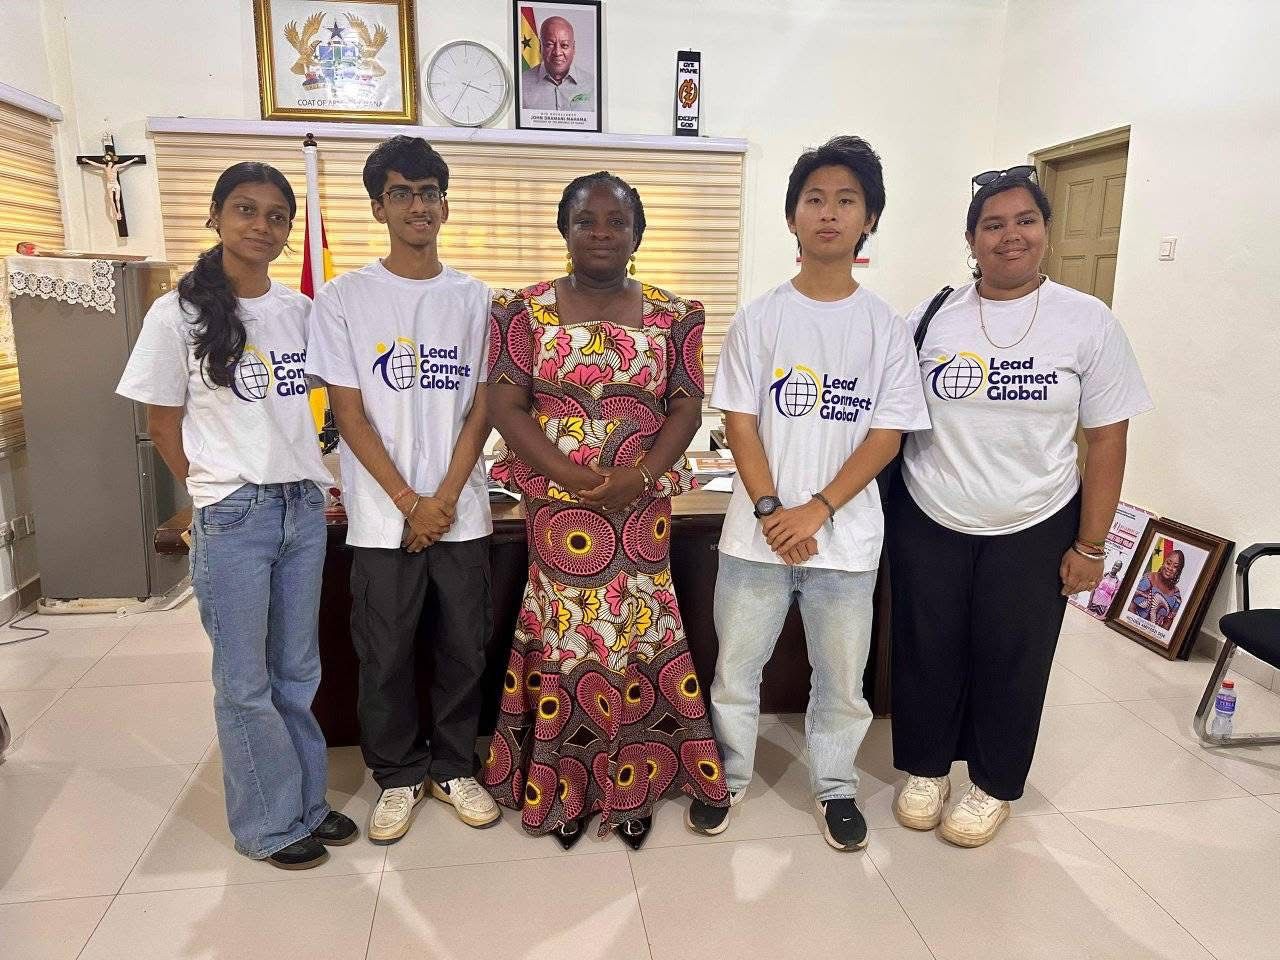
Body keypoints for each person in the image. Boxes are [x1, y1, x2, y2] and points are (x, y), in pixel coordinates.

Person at [889, 165, 1153, 847]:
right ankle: (926, 769)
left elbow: (1107, 439)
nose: (1011, 236)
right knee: (925, 648)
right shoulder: (931, 317)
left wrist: (1091, 546)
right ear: (971, 239)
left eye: (1025, 221)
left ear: (1046, 230)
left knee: (1014, 657)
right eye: (993, 224)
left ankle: (992, 784)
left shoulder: (1087, 322)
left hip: (1036, 520)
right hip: (931, 513)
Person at [690, 136, 930, 852]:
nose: (829, 213)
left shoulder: (886, 328)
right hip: (755, 537)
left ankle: (834, 786)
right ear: (792, 215)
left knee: (842, 681)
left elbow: (886, 436)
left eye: (846, 201)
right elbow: (738, 421)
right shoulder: (759, 318)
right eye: (815, 199)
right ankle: (729, 776)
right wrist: (772, 511)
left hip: (845, 541)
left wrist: (816, 510)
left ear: (869, 219)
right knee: (736, 671)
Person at [117, 162, 356, 869]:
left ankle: (307, 803)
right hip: (236, 515)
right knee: (245, 682)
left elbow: (333, 397)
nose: (262, 225)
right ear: (216, 217)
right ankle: (267, 825)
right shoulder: (176, 315)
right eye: (246, 209)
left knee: (298, 672)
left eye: (277, 215)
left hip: (301, 508)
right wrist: (215, 491)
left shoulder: (299, 312)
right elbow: (163, 424)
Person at [482, 171, 727, 851]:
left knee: (636, 631)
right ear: (564, 230)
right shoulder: (520, 310)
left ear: (637, 233)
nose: (600, 233)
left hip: (640, 508)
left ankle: (634, 783)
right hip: (557, 507)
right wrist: (569, 476)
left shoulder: (675, 315)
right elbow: (506, 406)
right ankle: (563, 784)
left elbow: (685, 406)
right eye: (585, 220)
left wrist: (638, 476)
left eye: (616, 221)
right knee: (568, 638)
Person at [306, 136, 499, 845]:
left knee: (463, 649)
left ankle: (452, 767)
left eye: (428, 192)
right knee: (384, 654)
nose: (417, 205)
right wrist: (409, 503)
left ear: (444, 205)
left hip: (461, 514)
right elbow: (348, 413)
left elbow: (484, 408)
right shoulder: (343, 299)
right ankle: (396, 775)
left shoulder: (477, 300)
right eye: (401, 193)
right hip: (382, 518)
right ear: (378, 207)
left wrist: (441, 499)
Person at [520, 15, 595, 112]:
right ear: (540, 46)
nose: (557, 52)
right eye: (550, 44)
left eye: (564, 45)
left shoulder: (593, 84)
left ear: (573, 48)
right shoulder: (521, 84)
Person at [1129, 549, 1184, 628]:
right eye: (1168, 563)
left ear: (1178, 571)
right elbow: (1130, 607)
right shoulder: (1148, 579)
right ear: (1163, 562)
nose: (1170, 568)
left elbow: (1168, 623)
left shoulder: (1176, 595)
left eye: (1175, 567)